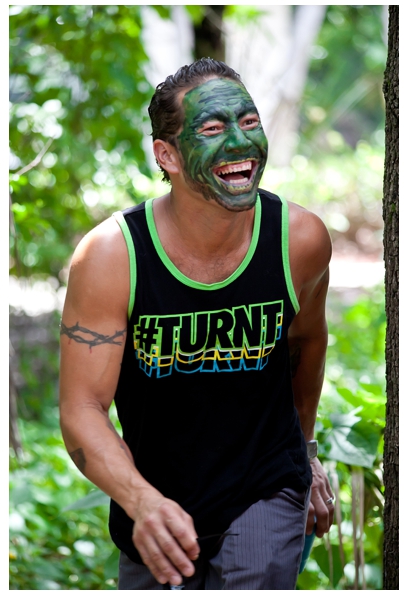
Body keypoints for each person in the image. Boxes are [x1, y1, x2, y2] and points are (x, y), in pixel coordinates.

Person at [58, 58, 335, 589]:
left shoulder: (298, 240)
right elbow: (81, 407)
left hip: (265, 485)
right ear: (168, 155)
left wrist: (306, 454)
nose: (240, 143)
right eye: (212, 128)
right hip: (152, 499)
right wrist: (141, 501)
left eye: (249, 122)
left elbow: (306, 346)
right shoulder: (113, 255)